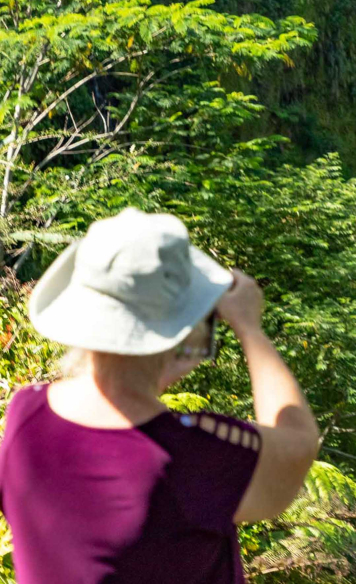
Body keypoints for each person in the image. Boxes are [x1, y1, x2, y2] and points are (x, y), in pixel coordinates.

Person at [0, 207, 321, 583]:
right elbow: (298, 442)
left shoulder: (27, 413)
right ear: (183, 331)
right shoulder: (195, 454)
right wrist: (250, 329)